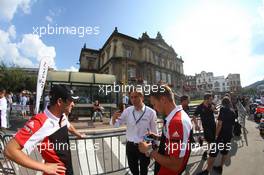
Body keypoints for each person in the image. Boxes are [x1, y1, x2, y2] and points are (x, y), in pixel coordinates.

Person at [4, 84, 83, 175]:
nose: (73, 104)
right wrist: (44, 167)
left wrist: (78, 134)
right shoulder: (39, 122)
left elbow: (68, 126)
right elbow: (10, 150)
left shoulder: (62, 115)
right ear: (60, 102)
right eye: (70, 101)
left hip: (67, 170)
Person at [138, 85, 192, 175]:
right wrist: (157, 137)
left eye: (154, 104)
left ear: (163, 100)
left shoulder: (176, 122)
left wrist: (149, 150)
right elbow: (171, 140)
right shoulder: (176, 116)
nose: (154, 108)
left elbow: (175, 165)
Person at [110, 90, 158, 175]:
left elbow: (154, 131)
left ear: (142, 97)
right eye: (131, 97)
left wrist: (154, 148)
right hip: (130, 146)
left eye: (136, 97)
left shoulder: (151, 112)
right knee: (133, 169)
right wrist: (113, 118)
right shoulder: (128, 111)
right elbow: (116, 125)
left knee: (144, 170)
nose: (133, 100)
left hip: (144, 146)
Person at [197, 97, 236, 175]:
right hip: (228, 136)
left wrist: (216, 135)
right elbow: (232, 126)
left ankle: (207, 171)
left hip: (221, 136)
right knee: (225, 152)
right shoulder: (233, 111)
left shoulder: (222, 109)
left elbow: (219, 124)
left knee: (212, 154)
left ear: (223, 103)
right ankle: (220, 167)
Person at [192, 93, 216, 160]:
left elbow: (216, 112)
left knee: (212, 140)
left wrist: (214, 109)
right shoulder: (200, 107)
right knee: (209, 141)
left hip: (213, 125)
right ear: (206, 99)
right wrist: (196, 125)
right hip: (206, 126)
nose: (212, 100)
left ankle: (202, 140)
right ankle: (205, 153)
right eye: (210, 99)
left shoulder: (212, 104)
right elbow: (194, 116)